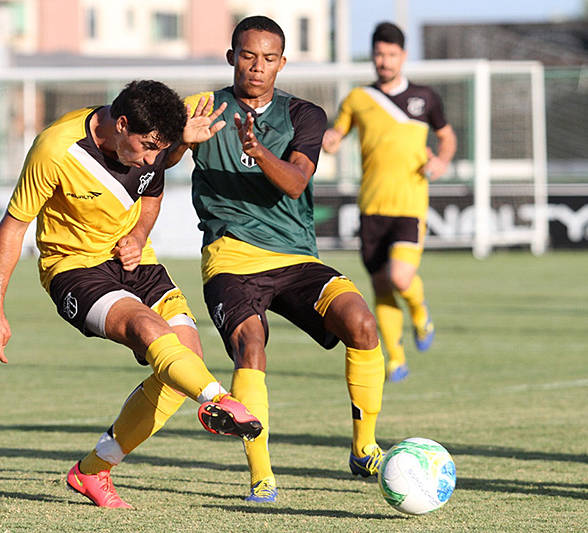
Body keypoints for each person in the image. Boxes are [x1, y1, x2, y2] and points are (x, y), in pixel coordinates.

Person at [0, 80, 262, 509]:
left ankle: (92, 470)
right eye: (147, 147)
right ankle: (219, 400)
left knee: (183, 363)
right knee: (149, 329)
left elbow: (152, 190)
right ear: (122, 124)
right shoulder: (56, 150)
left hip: (135, 261)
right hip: (74, 269)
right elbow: (14, 226)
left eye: (158, 150)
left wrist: (139, 233)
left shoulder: (155, 135)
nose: (151, 158)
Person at [167, 16, 386, 503]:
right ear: (232, 57)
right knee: (251, 345)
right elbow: (155, 162)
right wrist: (182, 140)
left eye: (268, 58)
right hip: (230, 259)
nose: (257, 66)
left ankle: (364, 447)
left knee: (362, 323)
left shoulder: (305, 115)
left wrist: (257, 150)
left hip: (295, 256)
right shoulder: (201, 108)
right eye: (248, 56)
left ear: (282, 63)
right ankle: (261, 476)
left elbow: (295, 182)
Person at [322, 22, 457, 382]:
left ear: (403, 56)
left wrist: (442, 160)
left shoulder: (425, 97)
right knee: (381, 285)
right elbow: (337, 134)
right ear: (373, 56)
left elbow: (447, 137)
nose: (384, 61)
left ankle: (419, 311)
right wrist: (330, 140)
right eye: (379, 54)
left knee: (400, 277)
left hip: (410, 205)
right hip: (371, 206)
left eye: (391, 54)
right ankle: (396, 358)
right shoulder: (358, 98)